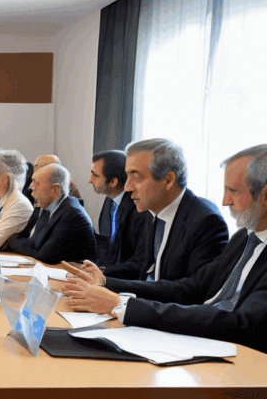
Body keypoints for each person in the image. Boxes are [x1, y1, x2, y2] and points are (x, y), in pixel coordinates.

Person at [62, 145, 267, 353]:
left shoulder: (207, 221)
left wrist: (122, 305)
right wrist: (107, 285)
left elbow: (243, 324)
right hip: (196, 341)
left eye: (233, 191)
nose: (225, 201)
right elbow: (192, 286)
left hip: (235, 354)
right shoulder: (245, 237)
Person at [121, 138, 229, 281]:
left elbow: (191, 289)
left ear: (168, 180)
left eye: (137, 177)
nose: (127, 187)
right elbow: (144, 267)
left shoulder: (207, 222)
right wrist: (100, 277)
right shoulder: (153, 209)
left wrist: (108, 284)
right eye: (127, 176)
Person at [6, 163, 97, 263]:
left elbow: (43, 255)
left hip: (75, 271)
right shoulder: (48, 206)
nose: (31, 187)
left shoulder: (73, 214)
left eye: (37, 183)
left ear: (54, 190)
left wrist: (10, 242)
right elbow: (32, 243)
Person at [88, 150, 150, 279]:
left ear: (113, 182)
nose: (90, 180)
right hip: (111, 276)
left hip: (128, 282)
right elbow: (109, 248)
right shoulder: (110, 200)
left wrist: (101, 271)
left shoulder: (139, 209)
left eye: (95, 175)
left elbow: (138, 264)